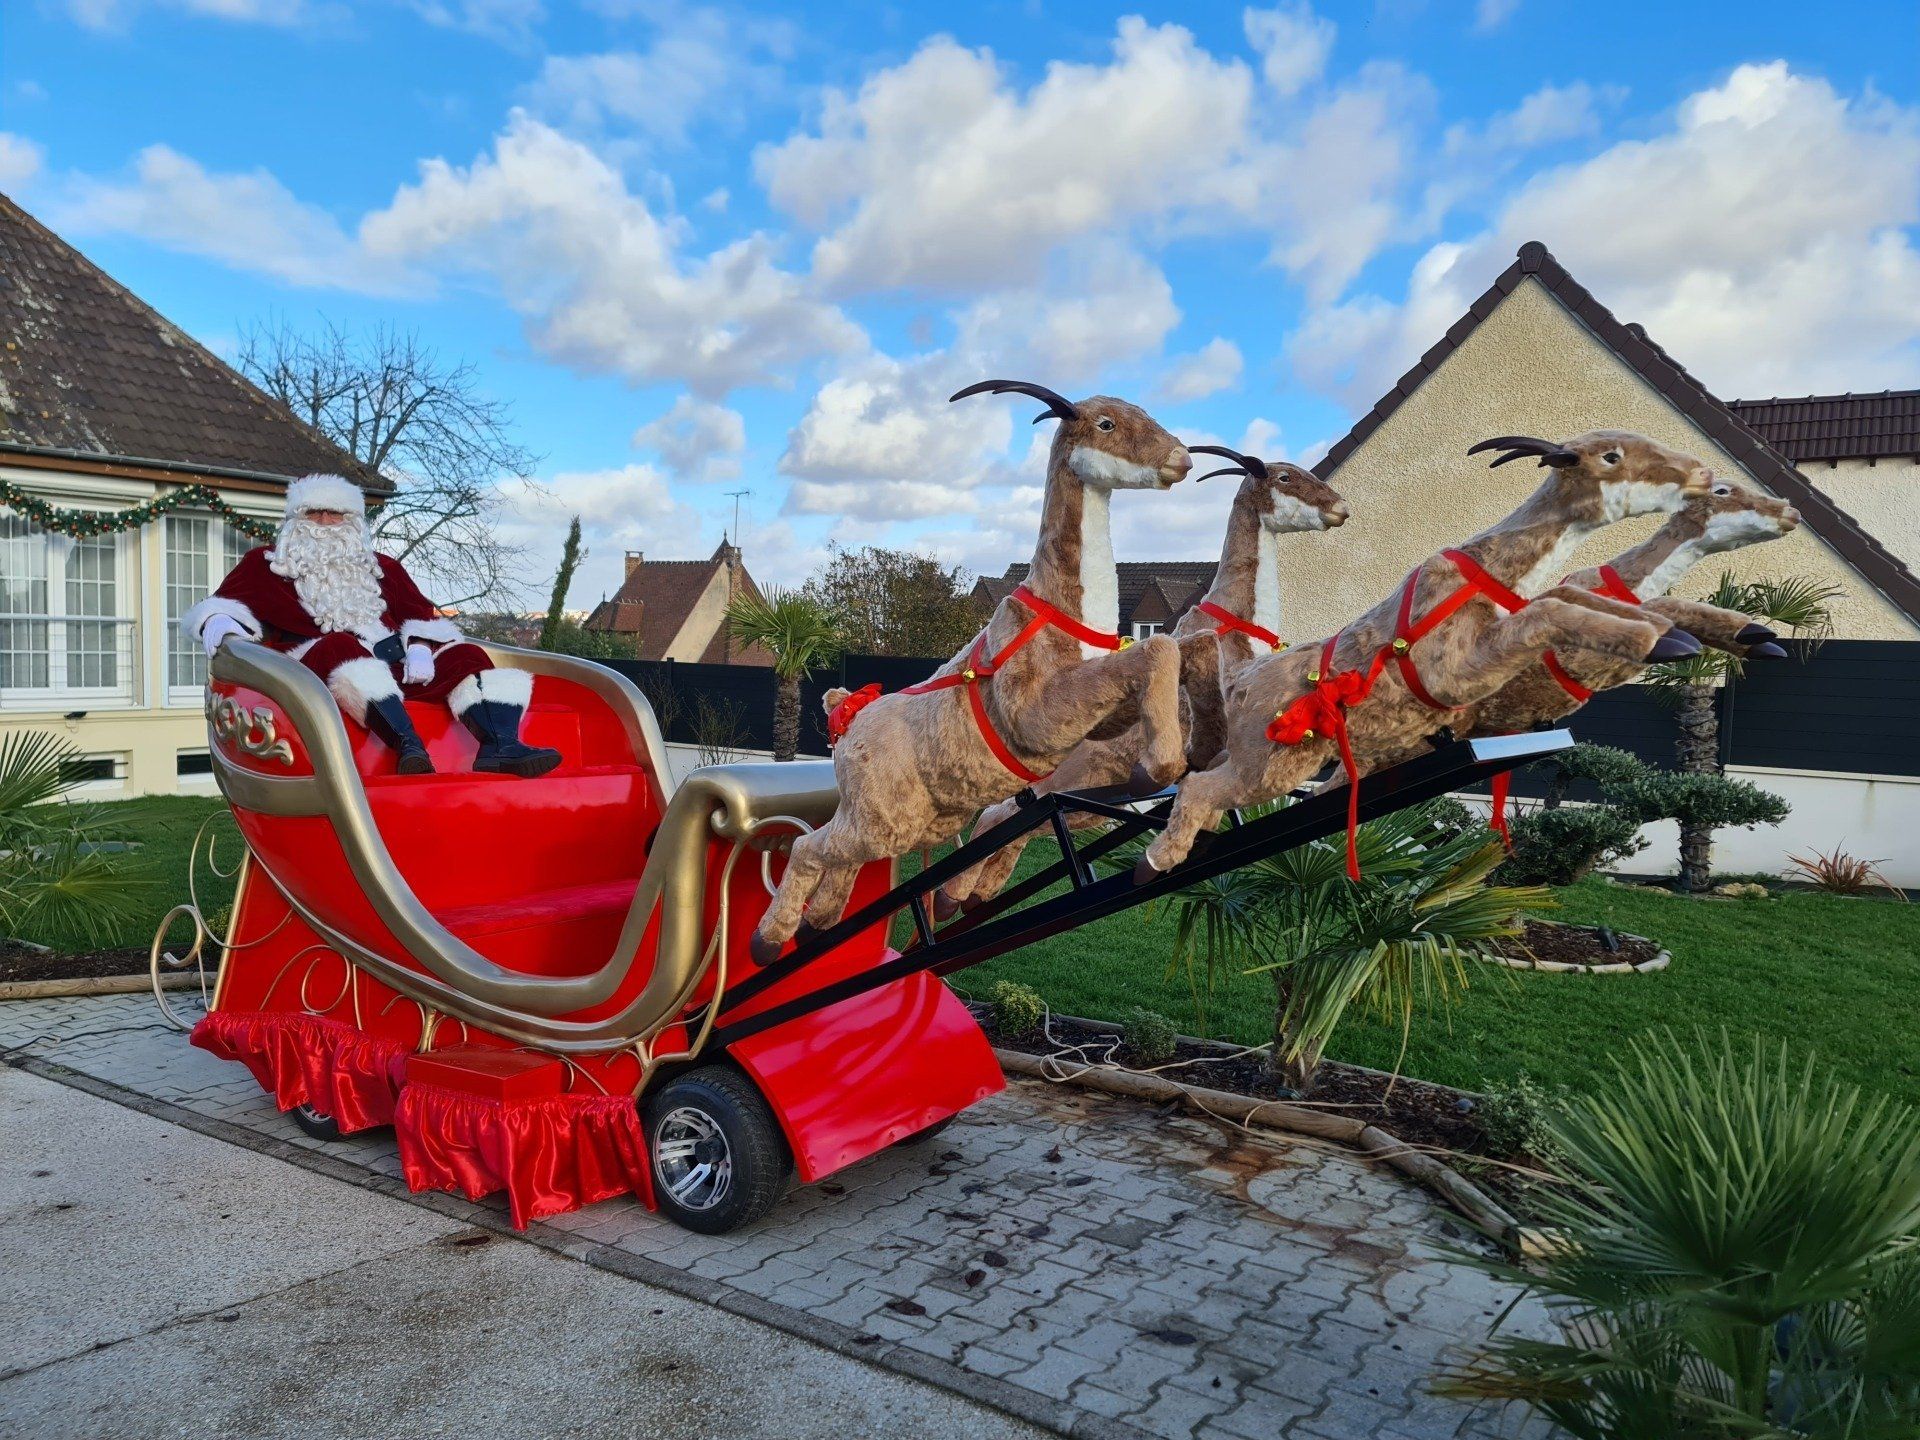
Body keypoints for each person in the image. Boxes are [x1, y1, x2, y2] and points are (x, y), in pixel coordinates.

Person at [184, 473, 560, 778]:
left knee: (468, 655)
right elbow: (225, 602)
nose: (325, 523)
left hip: (396, 666)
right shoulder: (266, 565)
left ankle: (500, 746)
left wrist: (419, 647)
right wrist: (218, 618)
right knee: (340, 646)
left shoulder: (384, 568)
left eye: (336, 514)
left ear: (353, 521)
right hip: (320, 667)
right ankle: (408, 745)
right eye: (315, 513)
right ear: (297, 519)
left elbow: (420, 615)